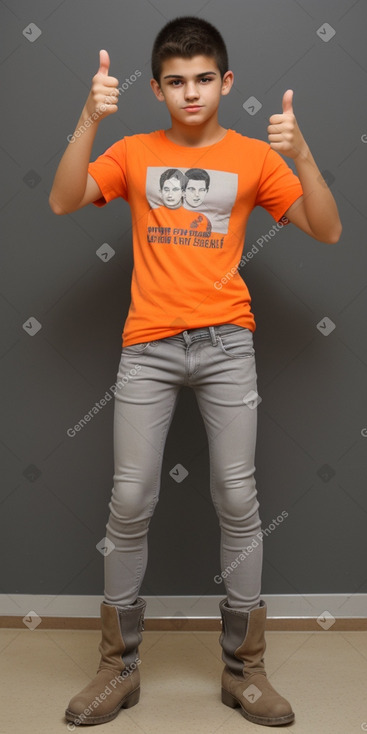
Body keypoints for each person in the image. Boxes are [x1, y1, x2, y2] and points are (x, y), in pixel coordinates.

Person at [49, 15, 341, 729]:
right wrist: (86, 118)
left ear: (225, 82)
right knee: (130, 498)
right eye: (175, 82)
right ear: (156, 88)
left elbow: (327, 228)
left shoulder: (250, 157)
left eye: (203, 79)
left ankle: (244, 673)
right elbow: (61, 198)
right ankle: (117, 671)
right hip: (147, 345)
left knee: (237, 498)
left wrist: (303, 155)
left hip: (225, 345)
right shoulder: (132, 151)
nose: (190, 93)